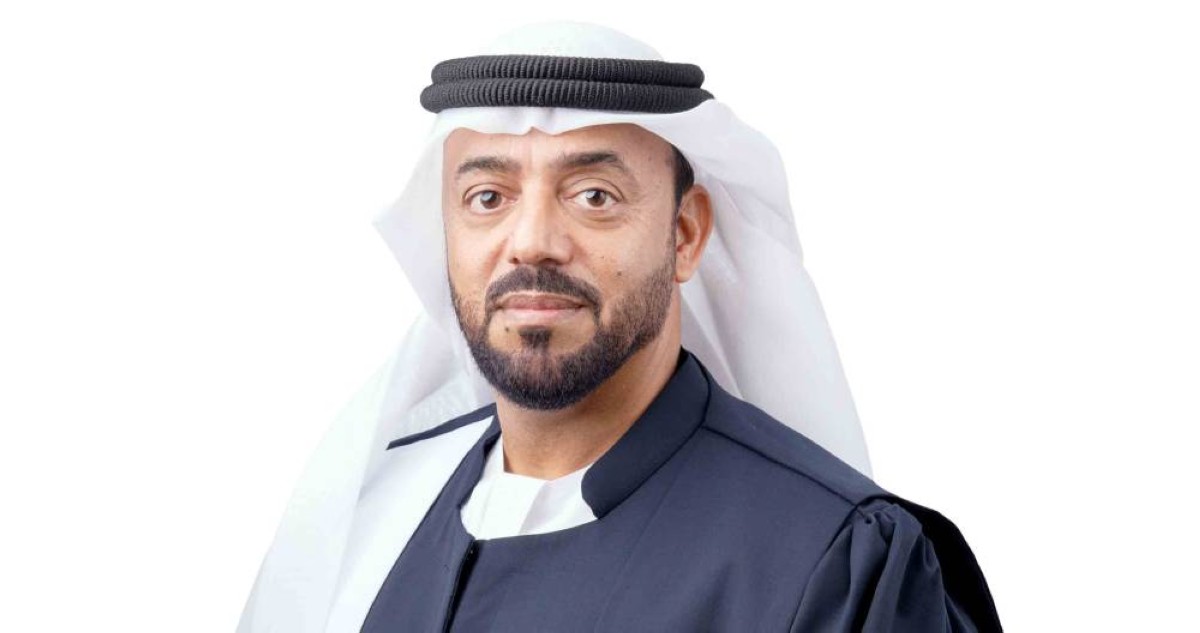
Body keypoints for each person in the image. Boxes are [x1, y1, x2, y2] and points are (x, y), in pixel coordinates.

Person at [238, 21, 1003, 633]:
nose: (532, 241)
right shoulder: (370, 512)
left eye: (594, 195)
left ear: (684, 234)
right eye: (487, 197)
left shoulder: (840, 563)